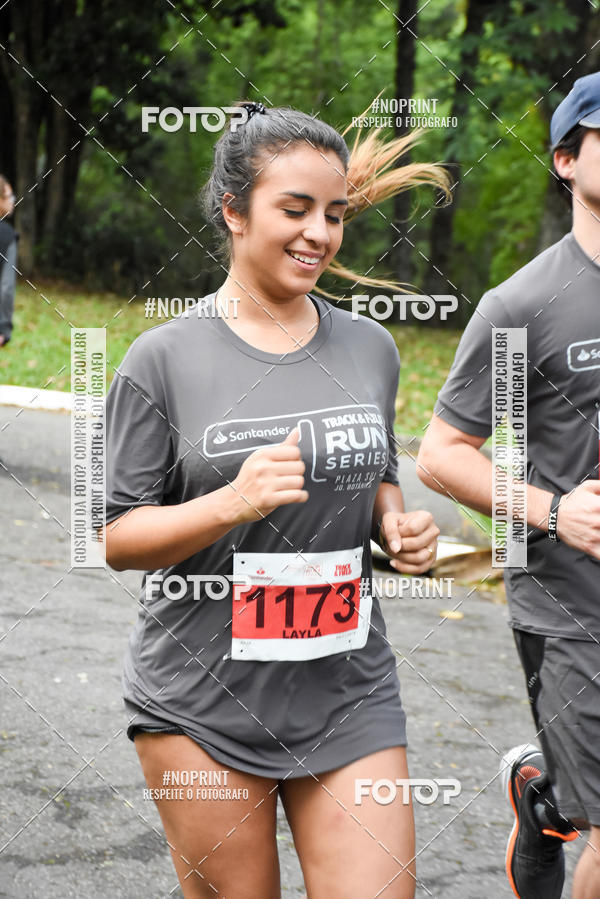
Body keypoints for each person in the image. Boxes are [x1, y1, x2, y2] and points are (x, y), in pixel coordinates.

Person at [101, 101, 449, 898]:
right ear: (232, 211)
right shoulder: (161, 358)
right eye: (294, 210)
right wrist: (232, 501)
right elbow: (118, 536)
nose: (318, 234)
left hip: (348, 687)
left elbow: (374, 471)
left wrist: (397, 526)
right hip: (202, 701)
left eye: (332, 214)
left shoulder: (371, 346)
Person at [417, 71, 600, 899]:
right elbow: (443, 452)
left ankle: (546, 789)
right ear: (566, 159)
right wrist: (555, 511)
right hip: (572, 603)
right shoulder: (523, 302)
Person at [0, 175, 17, 348]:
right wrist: (3, 328)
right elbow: (6, 287)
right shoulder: (6, 235)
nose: (13, 201)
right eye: (9, 196)